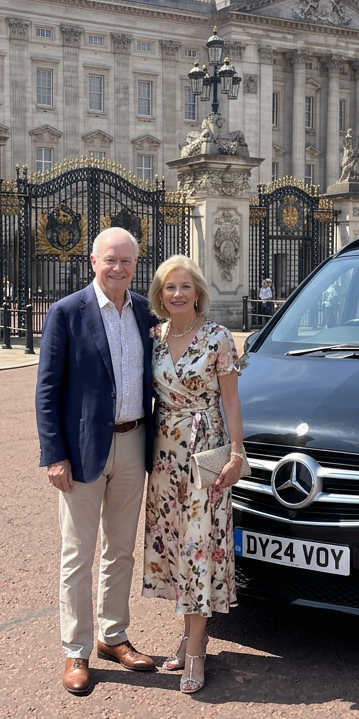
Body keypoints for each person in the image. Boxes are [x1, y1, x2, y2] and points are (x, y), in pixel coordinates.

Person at [35, 227, 158, 696]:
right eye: (111, 260)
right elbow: (47, 390)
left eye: (126, 261)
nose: (119, 268)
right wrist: (54, 454)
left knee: (121, 548)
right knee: (77, 554)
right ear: (93, 261)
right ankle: (76, 650)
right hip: (83, 446)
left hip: (133, 440)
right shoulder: (67, 312)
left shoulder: (146, 311)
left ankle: (114, 636)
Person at [143, 254, 244, 695]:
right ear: (160, 295)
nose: (178, 294)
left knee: (200, 545)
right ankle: (188, 635)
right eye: (170, 287)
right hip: (165, 458)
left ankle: (197, 649)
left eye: (185, 286)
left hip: (205, 453)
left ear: (198, 291)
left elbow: (231, 401)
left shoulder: (219, 337)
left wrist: (237, 453)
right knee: (178, 546)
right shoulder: (155, 337)